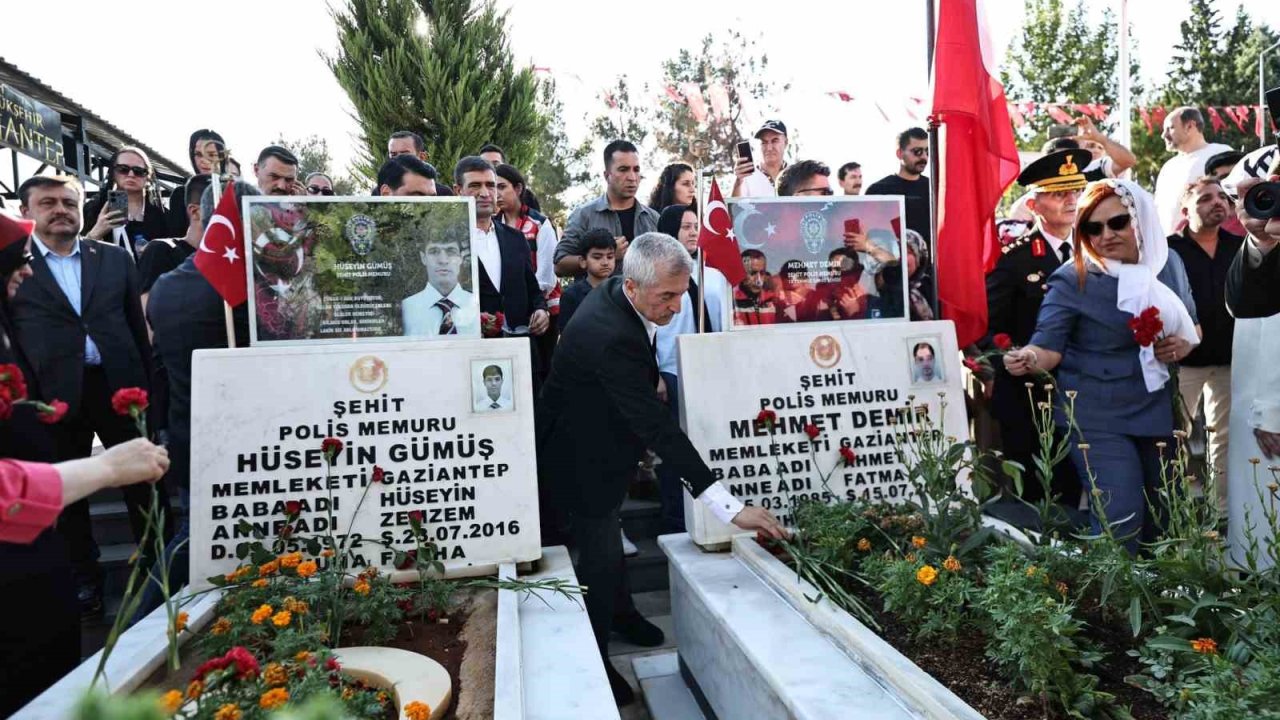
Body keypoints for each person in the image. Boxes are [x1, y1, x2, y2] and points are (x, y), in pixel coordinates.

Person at [536, 232, 786, 705]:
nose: (676, 307)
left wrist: (648, 379)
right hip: (580, 457)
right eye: (666, 297)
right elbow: (660, 433)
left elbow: (639, 361)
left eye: (681, 293)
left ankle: (622, 613)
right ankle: (596, 652)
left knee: (611, 548)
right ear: (633, 288)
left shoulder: (619, 292)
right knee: (602, 558)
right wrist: (730, 509)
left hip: (604, 434)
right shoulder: (608, 335)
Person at [1004, 179, 1200, 552]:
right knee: (1120, 519)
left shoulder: (1165, 264)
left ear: (1140, 221)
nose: (1106, 234)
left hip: (1156, 409)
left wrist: (1180, 346)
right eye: (1093, 228)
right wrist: (1030, 357)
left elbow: (1192, 330)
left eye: (1118, 223)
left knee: (1165, 520)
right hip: (1096, 414)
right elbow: (1048, 344)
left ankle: (1154, 605)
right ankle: (1110, 606)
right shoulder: (1072, 278)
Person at [10, 175, 165, 615]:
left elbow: (137, 328)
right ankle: (86, 581)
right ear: (28, 212)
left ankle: (159, 569)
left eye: (68, 202)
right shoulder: (16, 265)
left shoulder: (114, 259)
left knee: (144, 483)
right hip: (53, 396)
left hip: (119, 388)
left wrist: (147, 391)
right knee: (70, 492)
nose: (60, 210)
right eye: (48, 203)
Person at [142, 180, 255, 614]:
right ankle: (141, 621)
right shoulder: (244, 291)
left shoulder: (167, 286)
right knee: (197, 539)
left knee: (199, 531)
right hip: (236, 437)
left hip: (187, 430)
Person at [984, 150, 1092, 508]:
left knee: (1081, 484)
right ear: (1034, 203)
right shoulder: (1015, 259)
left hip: (1087, 389)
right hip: (1031, 395)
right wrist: (1009, 357)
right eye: (1059, 193)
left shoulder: (1095, 250)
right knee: (1037, 493)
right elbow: (990, 326)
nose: (1072, 199)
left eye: (1075, 190)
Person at [653, 205, 729, 534]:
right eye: (685, 226)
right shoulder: (655, 277)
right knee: (675, 451)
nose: (693, 232)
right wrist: (654, 373)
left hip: (708, 373)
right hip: (670, 371)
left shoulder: (711, 274)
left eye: (696, 225)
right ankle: (675, 520)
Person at [1168, 177, 1243, 512]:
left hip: (1231, 357)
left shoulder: (1239, 245)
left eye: (1221, 197)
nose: (1217, 203)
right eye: (1205, 198)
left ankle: (1221, 512)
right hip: (1184, 361)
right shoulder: (1169, 250)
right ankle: (1174, 510)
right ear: (1186, 209)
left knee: (1225, 438)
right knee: (1174, 437)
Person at [454, 157, 549, 339]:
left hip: (519, 346)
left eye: (490, 185)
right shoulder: (448, 241)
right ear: (458, 190)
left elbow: (532, 288)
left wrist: (541, 310)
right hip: (470, 348)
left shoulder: (515, 238)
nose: (485, 193)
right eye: (475, 185)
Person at [555, 140, 660, 277]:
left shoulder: (653, 218)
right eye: (623, 170)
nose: (632, 177)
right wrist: (606, 257)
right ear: (607, 176)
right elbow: (560, 265)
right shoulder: (584, 215)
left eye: (636, 170)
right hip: (597, 297)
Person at [138, 174, 214, 313]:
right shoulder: (162, 251)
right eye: (222, 209)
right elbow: (146, 314)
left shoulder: (229, 258)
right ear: (195, 211)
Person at [83, 146, 171, 261]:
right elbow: (79, 258)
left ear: (148, 177)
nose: (131, 174)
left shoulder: (163, 217)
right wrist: (96, 233)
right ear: (113, 173)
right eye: (123, 169)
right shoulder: (93, 209)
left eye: (138, 171)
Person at [1154, 107, 1233, 234]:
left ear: (1190, 126)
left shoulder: (1220, 153)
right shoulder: (1168, 166)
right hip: (1170, 246)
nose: (1164, 135)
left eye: (1170, 128)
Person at [401, 223, 477, 337]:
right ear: (423, 258)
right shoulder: (406, 308)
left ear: (461, 257)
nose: (443, 260)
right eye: (434, 251)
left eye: (451, 251)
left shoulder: (476, 304)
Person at [866, 127, 933, 245]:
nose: (924, 157)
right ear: (900, 153)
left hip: (931, 262)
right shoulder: (878, 190)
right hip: (892, 261)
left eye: (927, 151)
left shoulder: (935, 189)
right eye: (917, 151)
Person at [166, 129, 227, 236]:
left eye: (211, 155)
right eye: (198, 154)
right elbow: (176, 236)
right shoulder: (180, 195)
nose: (203, 160)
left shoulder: (234, 193)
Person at [558, 229, 616, 332]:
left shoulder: (623, 291)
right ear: (583, 261)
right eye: (597, 257)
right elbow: (567, 334)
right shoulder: (571, 296)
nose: (605, 262)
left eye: (610, 257)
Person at [733, 119, 789, 198]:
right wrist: (738, 182)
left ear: (786, 142)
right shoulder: (746, 177)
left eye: (774, 141)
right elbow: (734, 207)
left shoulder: (796, 175)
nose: (769, 148)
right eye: (764, 142)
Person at [388, 131, 454, 197]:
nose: (398, 159)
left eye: (405, 154)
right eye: (393, 155)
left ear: (422, 157)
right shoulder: (380, 194)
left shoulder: (443, 194)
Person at [734, 249, 778, 325]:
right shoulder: (730, 302)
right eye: (753, 273)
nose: (759, 280)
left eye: (762, 273)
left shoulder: (774, 301)